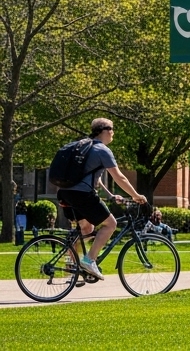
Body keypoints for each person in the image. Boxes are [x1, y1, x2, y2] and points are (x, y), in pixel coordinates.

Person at [54, 118, 148, 280]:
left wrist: (111, 196)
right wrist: (136, 196)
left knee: (87, 229)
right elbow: (120, 177)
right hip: (82, 195)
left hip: (65, 193)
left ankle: (71, 262)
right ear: (103, 130)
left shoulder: (83, 147)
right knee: (111, 224)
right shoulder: (102, 150)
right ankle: (89, 260)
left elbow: (94, 180)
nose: (113, 132)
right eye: (111, 129)